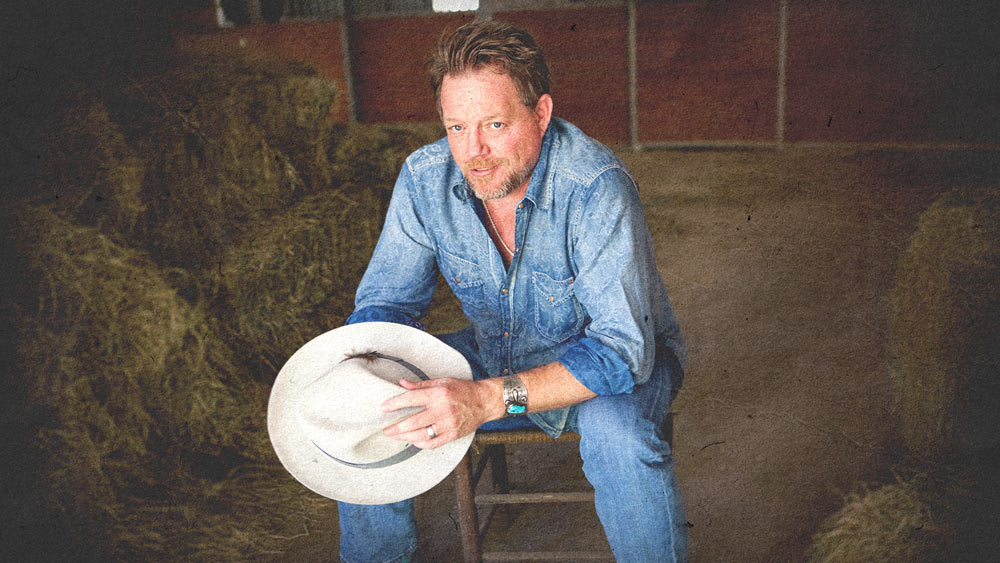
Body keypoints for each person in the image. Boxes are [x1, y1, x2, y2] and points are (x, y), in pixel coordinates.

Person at [339, 19, 687, 563]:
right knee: (372, 395)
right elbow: (383, 307)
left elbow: (621, 351)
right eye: (456, 128)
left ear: (541, 114)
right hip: (497, 350)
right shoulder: (423, 178)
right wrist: (376, 369)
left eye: (495, 124)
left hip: (610, 366)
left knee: (617, 436)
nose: (474, 150)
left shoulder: (595, 187)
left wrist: (484, 399)